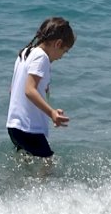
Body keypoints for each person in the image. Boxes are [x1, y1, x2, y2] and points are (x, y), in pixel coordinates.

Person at [6, 17, 76, 157]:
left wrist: (51, 110)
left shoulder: (26, 52)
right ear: (58, 43)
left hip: (14, 126)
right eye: (65, 51)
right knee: (47, 163)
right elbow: (29, 90)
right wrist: (51, 113)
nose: (62, 56)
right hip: (29, 128)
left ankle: (18, 180)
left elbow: (13, 90)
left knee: (26, 162)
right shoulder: (41, 57)